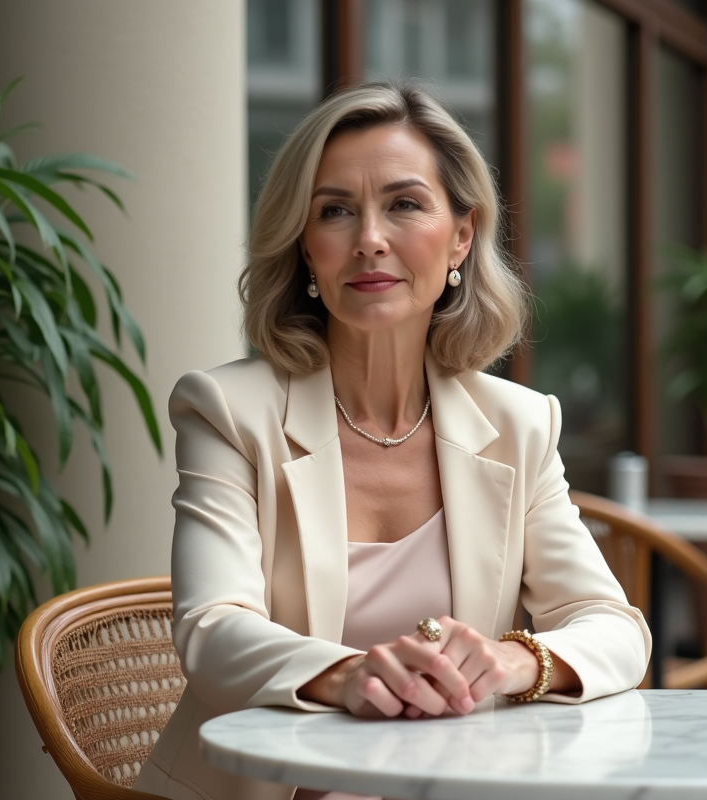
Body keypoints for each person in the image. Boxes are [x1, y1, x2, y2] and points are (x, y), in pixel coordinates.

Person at [133, 82, 651, 800]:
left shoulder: (519, 425)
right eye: (336, 211)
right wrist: (352, 675)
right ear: (306, 249)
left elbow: (614, 628)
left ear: (462, 237)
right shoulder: (227, 409)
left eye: (405, 204)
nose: (370, 238)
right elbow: (212, 630)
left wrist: (513, 661)